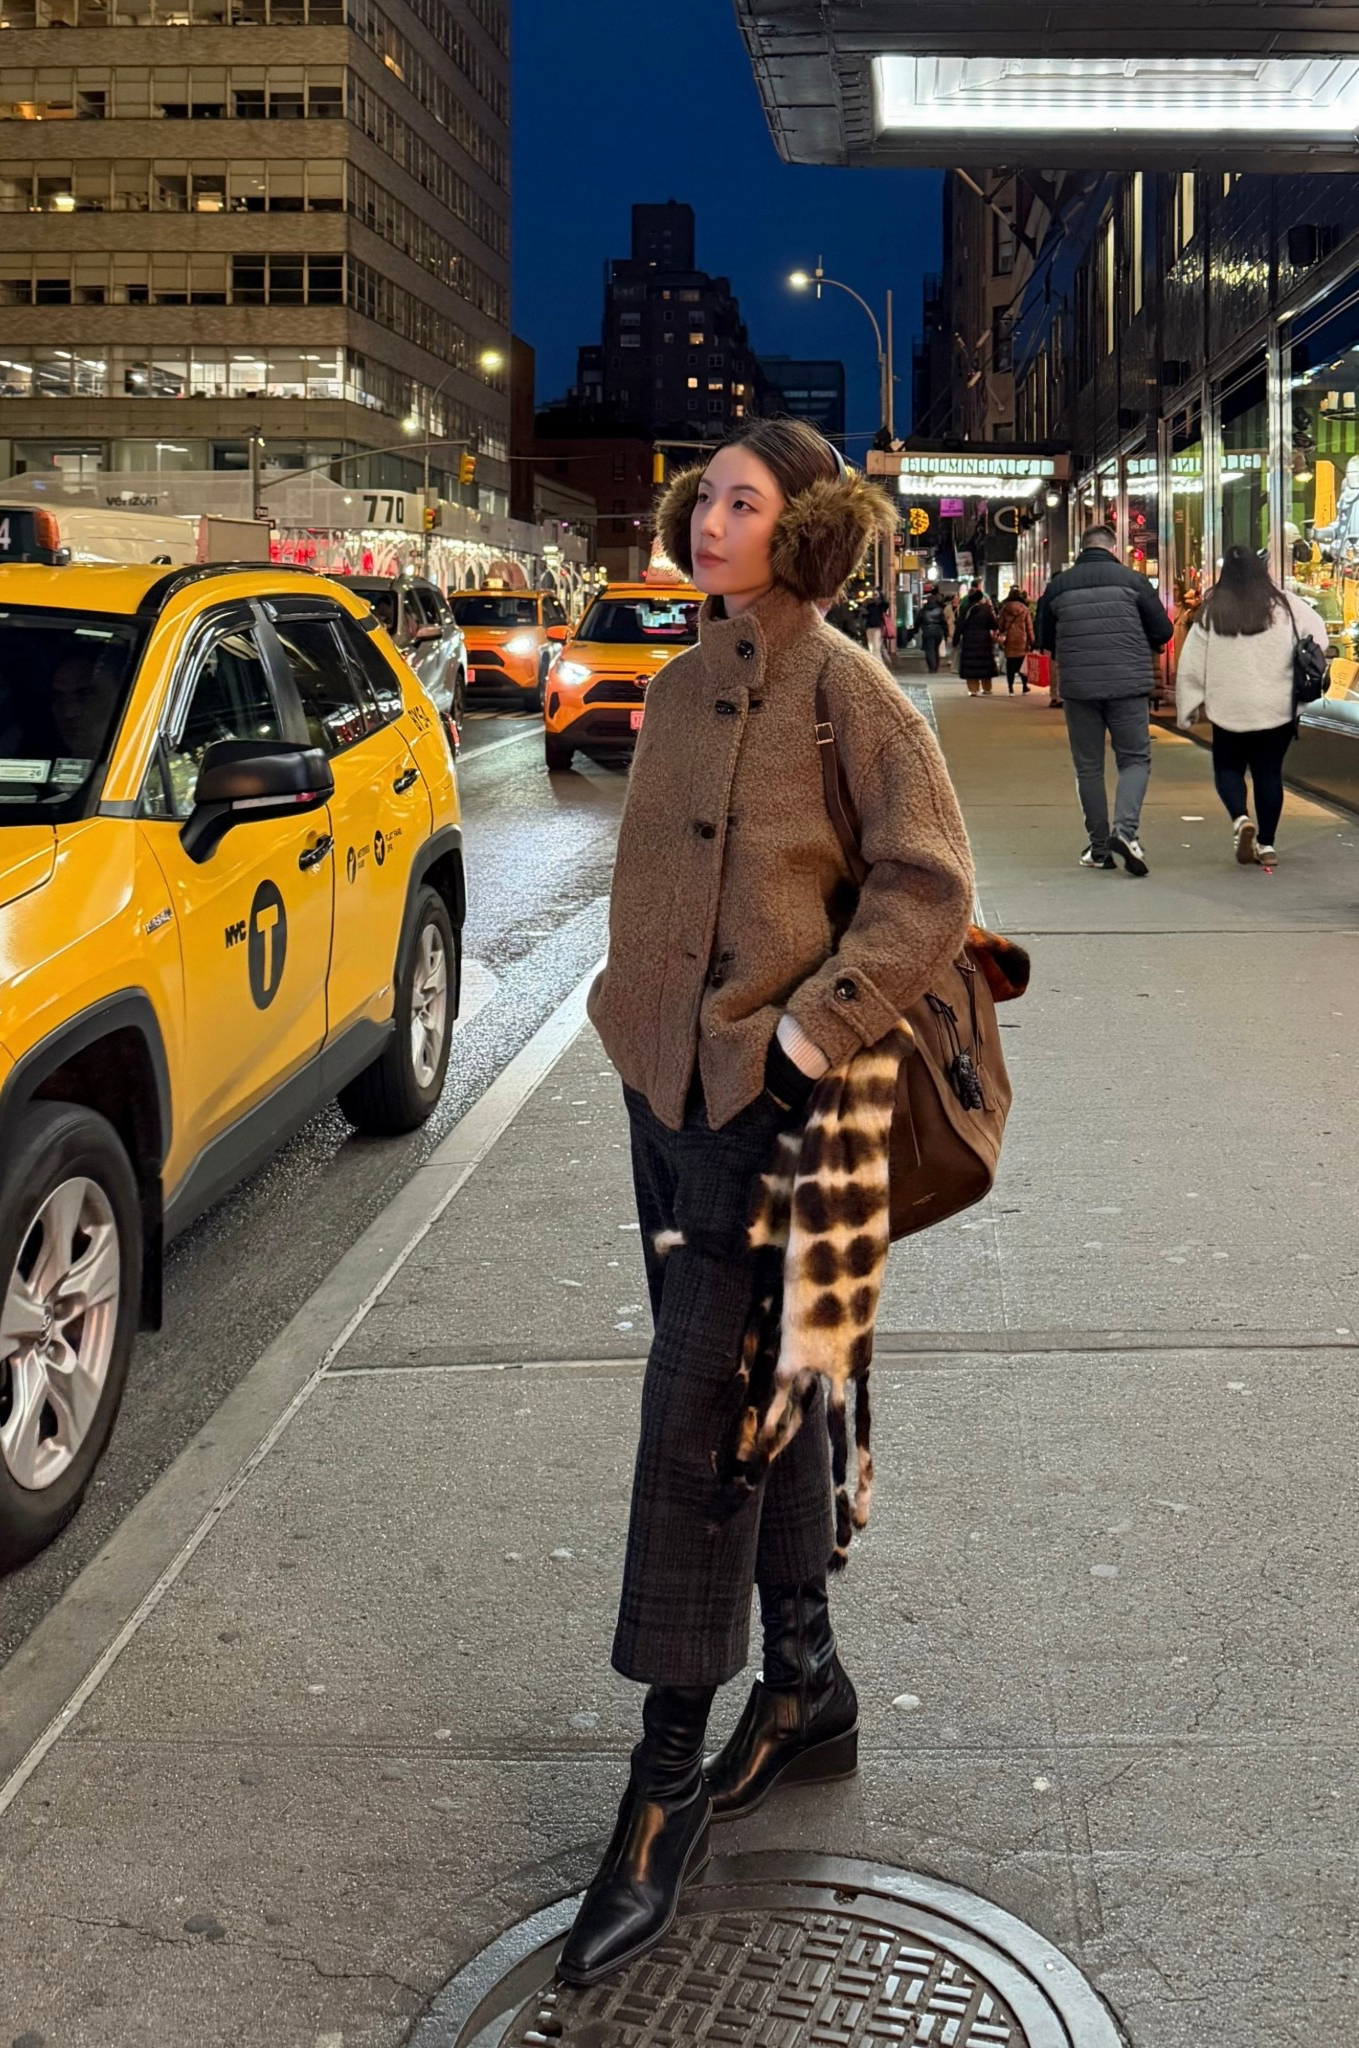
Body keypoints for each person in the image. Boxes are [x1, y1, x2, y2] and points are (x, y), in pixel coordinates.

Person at [569, 417, 975, 1987]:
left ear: (805, 526)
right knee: (762, 1390)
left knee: (696, 1420)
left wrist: (808, 1033)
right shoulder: (678, 679)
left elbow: (929, 882)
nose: (709, 515)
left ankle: (664, 1787)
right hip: (657, 1094)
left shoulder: (846, 691)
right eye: (704, 495)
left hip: (762, 1103)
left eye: (744, 499)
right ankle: (802, 1677)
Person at [1174, 544, 1326, 868]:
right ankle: (1267, 844)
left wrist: (1187, 707)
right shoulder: (1285, 604)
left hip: (1228, 707)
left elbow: (1191, 663)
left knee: (1227, 768)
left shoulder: (1212, 611)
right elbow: (1319, 639)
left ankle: (1240, 818)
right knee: (1268, 774)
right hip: (1276, 707)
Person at [1035, 523, 1172, 875]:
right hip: (1128, 685)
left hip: (1080, 687)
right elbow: (1163, 630)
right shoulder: (1134, 582)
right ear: (1114, 548)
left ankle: (1099, 849)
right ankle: (1125, 832)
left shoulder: (1058, 586)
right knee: (1134, 760)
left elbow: (1044, 637)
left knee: (1088, 767)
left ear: (1082, 549)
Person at [957, 586, 998, 696]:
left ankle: (973, 690)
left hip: (969, 640)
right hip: (984, 640)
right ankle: (987, 688)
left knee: (971, 666)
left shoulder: (965, 609)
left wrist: (956, 639)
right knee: (985, 665)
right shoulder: (986, 610)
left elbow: (959, 626)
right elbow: (994, 625)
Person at [996, 586, 1034, 692]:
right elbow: (1029, 627)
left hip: (1009, 640)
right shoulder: (1025, 609)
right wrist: (1032, 641)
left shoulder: (1005, 609)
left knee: (1010, 664)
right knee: (1022, 665)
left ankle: (1010, 687)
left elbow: (1000, 625)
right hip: (1022, 640)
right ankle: (1024, 686)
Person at [915, 584, 949, 674]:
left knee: (929, 650)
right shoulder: (939, 610)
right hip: (938, 632)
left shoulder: (923, 611)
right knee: (935, 649)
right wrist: (945, 633)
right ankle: (935, 666)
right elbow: (944, 623)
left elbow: (917, 621)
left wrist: (915, 630)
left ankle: (932, 668)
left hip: (927, 631)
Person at [861, 586, 893, 667]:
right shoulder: (869, 605)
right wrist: (864, 612)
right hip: (869, 627)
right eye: (873, 594)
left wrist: (882, 596)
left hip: (878, 627)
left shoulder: (882, 605)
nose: (874, 596)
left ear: (879, 595)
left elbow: (886, 604)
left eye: (876, 594)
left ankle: (879, 666)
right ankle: (876, 665)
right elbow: (865, 615)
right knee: (871, 647)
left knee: (876, 648)